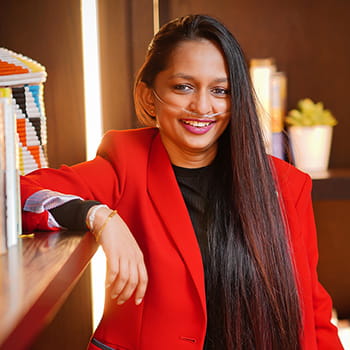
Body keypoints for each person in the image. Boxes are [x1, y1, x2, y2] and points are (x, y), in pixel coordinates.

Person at [20, 14, 343, 350]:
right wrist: (100, 217)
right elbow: (15, 194)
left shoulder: (286, 185)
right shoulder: (126, 164)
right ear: (149, 96)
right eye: (183, 87)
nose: (203, 106)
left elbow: (313, 310)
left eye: (220, 90)